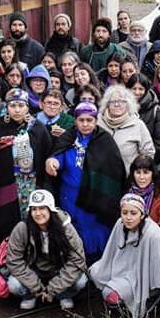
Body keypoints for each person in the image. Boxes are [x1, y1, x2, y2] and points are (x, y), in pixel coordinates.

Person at [46, 102, 126, 261]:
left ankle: (96, 268)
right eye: (81, 120)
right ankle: (74, 267)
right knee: (72, 232)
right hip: (69, 197)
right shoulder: (68, 137)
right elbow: (59, 155)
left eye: (89, 120)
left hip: (95, 198)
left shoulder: (104, 141)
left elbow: (113, 170)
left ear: (96, 121)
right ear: (75, 120)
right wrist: (52, 161)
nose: (85, 124)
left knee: (95, 235)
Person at [89, 194, 160, 318]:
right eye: (125, 213)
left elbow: (157, 274)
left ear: (142, 214)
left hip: (142, 279)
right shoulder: (120, 224)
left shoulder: (153, 235)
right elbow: (111, 253)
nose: (128, 218)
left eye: (133, 213)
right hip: (120, 268)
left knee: (109, 293)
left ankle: (142, 308)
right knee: (95, 272)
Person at [4, 190, 88, 311]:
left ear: (50, 209)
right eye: (34, 209)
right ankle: (30, 296)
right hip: (33, 271)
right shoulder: (22, 228)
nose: (38, 213)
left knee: (81, 281)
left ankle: (64, 295)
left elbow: (77, 260)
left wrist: (52, 289)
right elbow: (13, 260)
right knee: (13, 285)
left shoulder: (66, 228)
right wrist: (36, 287)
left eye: (42, 208)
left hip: (59, 271)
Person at [0, 88, 51, 246]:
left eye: (21, 106)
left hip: (32, 186)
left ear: (27, 107)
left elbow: (46, 156)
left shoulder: (38, 128)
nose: (16, 110)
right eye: (13, 105)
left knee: (33, 224)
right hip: (6, 185)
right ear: (6, 107)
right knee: (7, 225)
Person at [95, 85, 154, 173]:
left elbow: (148, 152)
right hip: (102, 177)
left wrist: (137, 172)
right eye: (113, 101)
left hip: (127, 179)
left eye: (121, 101)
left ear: (128, 104)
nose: (117, 104)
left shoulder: (138, 125)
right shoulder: (98, 122)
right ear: (107, 105)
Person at [127, 74, 160, 165]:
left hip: (147, 160)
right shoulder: (123, 108)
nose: (137, 92)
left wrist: (149, 161)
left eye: (141, 89)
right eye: (134, 89)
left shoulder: (156, 110)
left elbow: (159, 140)